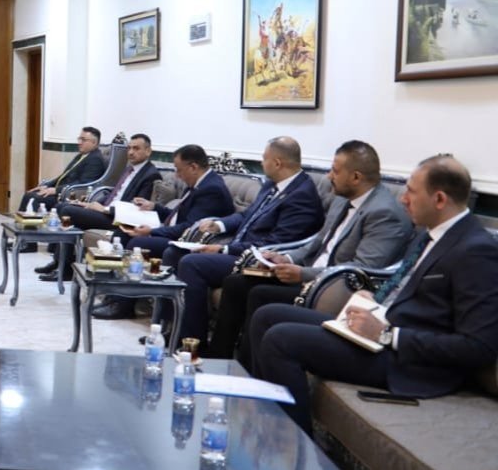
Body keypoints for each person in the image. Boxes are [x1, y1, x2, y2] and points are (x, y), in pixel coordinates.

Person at [249, 155, 498, 432]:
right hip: (382, 331)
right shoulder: (433, 233)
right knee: (267, 315)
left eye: (411, 192)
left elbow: (478, 347)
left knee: (281, 340)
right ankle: (262, 422)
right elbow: (406, 287)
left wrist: (386, 334)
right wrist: (373, 302)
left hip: (410, 362)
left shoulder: (475, 250)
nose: (403, 199)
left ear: (439, 199)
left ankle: (290, 444)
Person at [205, 141, 412, 361]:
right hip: (310, 274)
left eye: (335, 171)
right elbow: (316, 241)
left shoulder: (384, 213)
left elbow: (362, 268)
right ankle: (218, 358)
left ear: (356, 177)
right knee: (236, 283)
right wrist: (285, 257)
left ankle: (247, 370)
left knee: (260, 294)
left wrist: (303, 274)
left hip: (332, 289)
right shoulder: (342, 199)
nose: (329, 176)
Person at [156, 137, 324, 342]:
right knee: (174, 252)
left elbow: (276, 242)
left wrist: (223, 250)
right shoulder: (272, 185)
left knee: (192, 263)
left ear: (277, 163)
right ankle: (168, 327)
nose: (261, 163)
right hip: (239, 247)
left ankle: (192, 340)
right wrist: (220, 224)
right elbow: (247, 215)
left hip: (255, 258)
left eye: (264, 158)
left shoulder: (301, 195)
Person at [91, 144, 235, 319]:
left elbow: (189, 227)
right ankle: (114, 296)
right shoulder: (199, 182)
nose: (177, 175)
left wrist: (152, 231)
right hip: (177, 233)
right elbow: (178, 215)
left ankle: (123, 305)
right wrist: (154, 207)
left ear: (193, 167)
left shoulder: (211, 189)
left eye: (179, 170)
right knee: (122, 234)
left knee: (138, 242)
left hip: (190, 242)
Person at [35, 133, 160, 280]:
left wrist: (105, 209)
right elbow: (114, 194)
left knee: (68, 211)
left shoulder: (150, 175)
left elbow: (135, 208)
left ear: (148, 151)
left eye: (136, 148)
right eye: (129, 148)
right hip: (106, 212)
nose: (131, 152)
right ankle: (59, 262)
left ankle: (65, 269)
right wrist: (91, 204)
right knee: (64, 206)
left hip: (117, 219)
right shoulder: (129, 169)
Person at [16, 127, 107, 214]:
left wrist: (56, 190)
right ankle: (19, 223)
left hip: (71, 195)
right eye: (79, 139)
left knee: (34, 198)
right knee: (30, 194)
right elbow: (64, 175)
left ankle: (30, 224)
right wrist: (46, 185)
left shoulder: (95, 159)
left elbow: (82, 184)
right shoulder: (82, 155)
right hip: (63, 191)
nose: (79, 142)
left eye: (83, 140)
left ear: (94, 142)